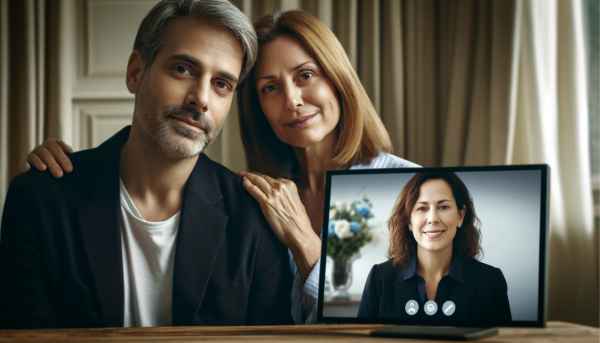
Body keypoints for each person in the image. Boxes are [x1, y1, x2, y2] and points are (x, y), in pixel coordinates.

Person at [22, 10, 420, 324]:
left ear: (339, 79)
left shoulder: (412, 193)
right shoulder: (264, 196)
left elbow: (400, 329)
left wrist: (307, 245)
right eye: (270, 87)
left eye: (306, 75)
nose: (293, 100)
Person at [0, 0, 294, 329]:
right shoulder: (39, 200)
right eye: (183, 69)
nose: (201, 99)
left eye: (221, 84)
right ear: (135, 72)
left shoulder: (254, 217)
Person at [357, 172, 512, 324]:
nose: (433, 219)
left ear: (460, 216)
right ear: (409, 220)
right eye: (422, 208)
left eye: (443, 207)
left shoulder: (491, 281)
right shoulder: (380, 278)